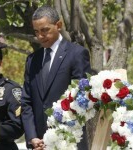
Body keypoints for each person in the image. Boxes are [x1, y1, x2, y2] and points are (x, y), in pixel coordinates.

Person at [21, 5, 94, 150]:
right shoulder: (32, 60)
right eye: (36, 32)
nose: (40, 36)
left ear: (58, 25)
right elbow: (26, 102)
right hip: (38, 144)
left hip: (69, 141)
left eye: (45, 30)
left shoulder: (77, 54)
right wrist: (32, 137)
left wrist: (56, 137)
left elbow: (81, 99)